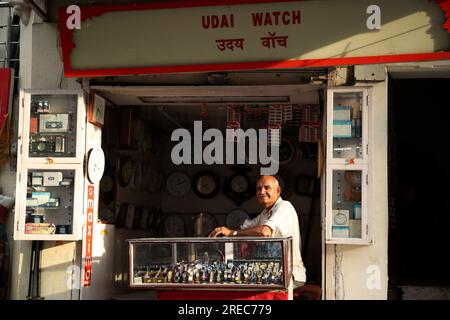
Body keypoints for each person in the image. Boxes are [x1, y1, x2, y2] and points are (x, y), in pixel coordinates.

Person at [209, 175, 306, 289]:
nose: (262, 192)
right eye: (258, 189)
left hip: (290, 275)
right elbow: (245, 228)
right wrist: (224, 231)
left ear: (278, 191)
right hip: (274, 274)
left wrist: (232, 233)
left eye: (267, 187)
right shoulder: (265, 213)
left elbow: (265, 232)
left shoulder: (285, 206)